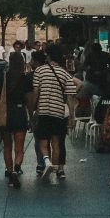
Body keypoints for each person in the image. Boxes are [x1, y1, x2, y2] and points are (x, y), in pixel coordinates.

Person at [31, 48, 78, 182]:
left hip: (44, 110)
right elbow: (70, 98)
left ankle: (47, 161)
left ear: (49, 57)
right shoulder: (66, 74)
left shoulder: (39, 71)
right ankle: (57, 168)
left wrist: (34, 108)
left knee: (42, 141)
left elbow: (36, 91)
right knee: (57, 142)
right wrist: (72, 116)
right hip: (58, 112)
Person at [2, 50, 32, 188]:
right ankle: (16, 168)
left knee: (7, 146)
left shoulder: (4, 77)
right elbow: (29, 100)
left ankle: (9, 172)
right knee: (19, 148)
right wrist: (31, 117)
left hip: (6, 114)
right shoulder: (25, 78)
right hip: (20, 113)